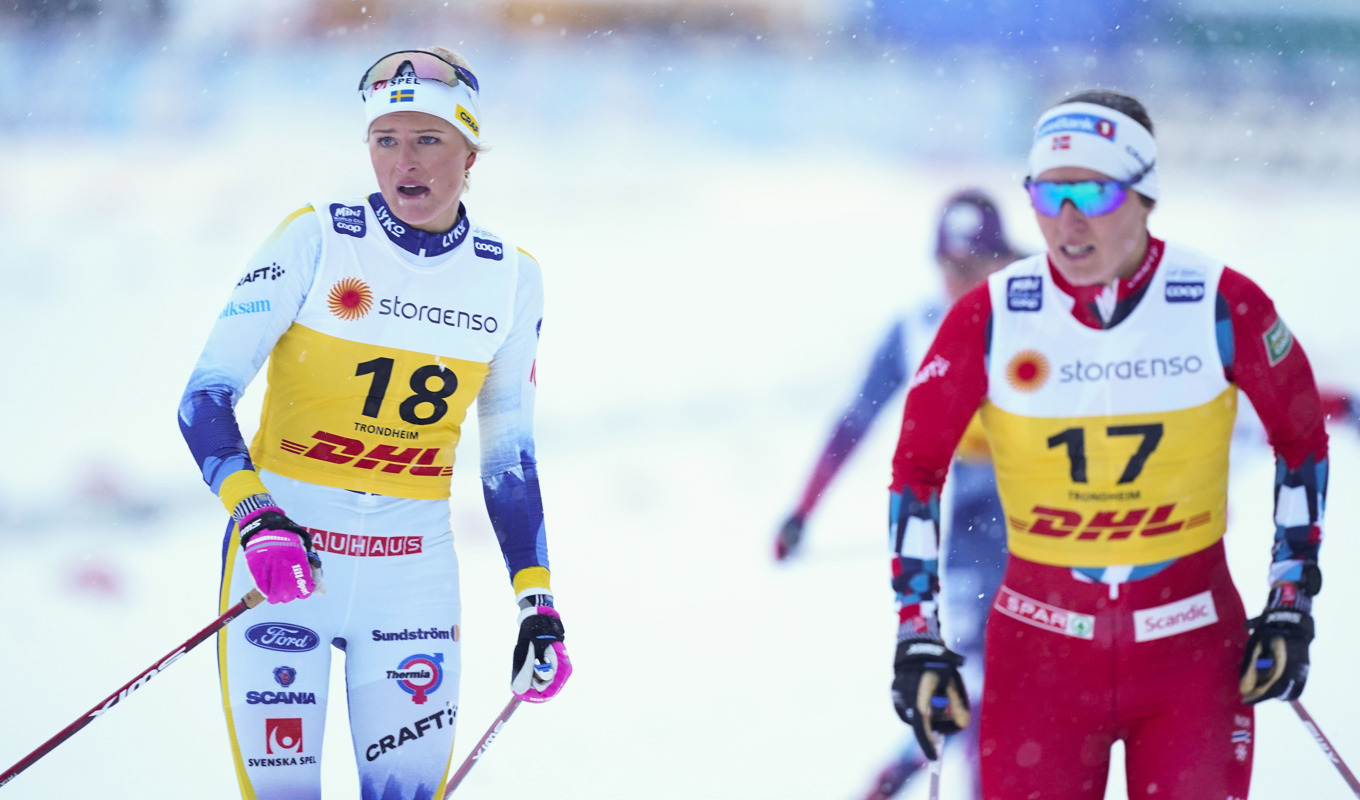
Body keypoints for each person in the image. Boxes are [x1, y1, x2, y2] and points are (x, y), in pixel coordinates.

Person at [884, 90, 1328, 799]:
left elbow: (1301, 437)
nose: (1067, 221)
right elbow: (916, 468)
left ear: (1145, 194)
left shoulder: (1220, 301)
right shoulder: (990, 315)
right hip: (1038, 663)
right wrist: (917, 631)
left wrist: (1290, 602)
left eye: (1092, 192)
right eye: (1046, 193)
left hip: (1191, 657)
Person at [177, 48, 571, 800]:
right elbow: (204, 397)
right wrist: (256, 517)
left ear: (470, 152)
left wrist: (536, 601)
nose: (404, 163)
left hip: (411, 575)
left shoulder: (511, 278)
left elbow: (508, 461)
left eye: (428, 139)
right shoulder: (315, 238)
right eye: (385, 140)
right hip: (286, 561)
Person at [774, 189, 1022, 800]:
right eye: (951, 266)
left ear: (1001, 262)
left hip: (1052, 532)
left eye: (975, 265)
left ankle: (914, 765)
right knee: (975, 679)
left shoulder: (1040, 321)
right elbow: (853, 424)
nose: (960, 280)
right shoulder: (916, 329)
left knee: (1031, 691)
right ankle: (908, 770)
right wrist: (803, 511)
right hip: (968, 535)